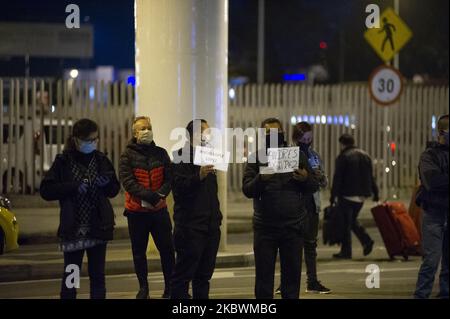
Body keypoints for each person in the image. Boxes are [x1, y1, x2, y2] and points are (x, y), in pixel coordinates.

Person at [40, 118, 120, 299]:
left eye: (95, 139)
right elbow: (46, 190)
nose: (92, 143)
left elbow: (114, 189)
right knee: (72, 276)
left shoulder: (101, 159)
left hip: (98, 228)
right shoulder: (63, 161)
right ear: (76, 139)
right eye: (88, 140)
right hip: (73, 230)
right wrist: (73, 187)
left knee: (97, 276)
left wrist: (106, 184)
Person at [242, 118, 319, 299]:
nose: (274, 137)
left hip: (293, 227)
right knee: (263, 279)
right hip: (265, 229)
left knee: (291, 279)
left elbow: (314, 185)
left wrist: (305, 178)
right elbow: (247, 189)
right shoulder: (256, 158)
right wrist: (261, 179)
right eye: (269, 134)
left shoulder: (296, 155)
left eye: (277, 133)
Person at [119, 116, 175, 299]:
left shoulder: (161, 153)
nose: (146, 131)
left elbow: (169, 178)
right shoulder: (127, 155)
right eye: (142, 128)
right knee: (139, 252)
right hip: (137, 213)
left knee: (167, 250)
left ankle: (170, 288)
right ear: (135, 133)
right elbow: (128, 181)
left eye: (149, 127)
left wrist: (160, 195)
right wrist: (150, 196)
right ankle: (143, 288)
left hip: (159, 211)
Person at [276, 121, 331, 295]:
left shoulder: (314, 155)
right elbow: (282, 181)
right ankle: (284, 283)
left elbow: (324, 182)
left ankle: (312, 281)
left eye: (309, 138)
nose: (307, 142)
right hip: (294, 205)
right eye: (303, 139)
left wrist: (318, 176)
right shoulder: (289, 154)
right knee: (290, 247)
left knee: (310, 245)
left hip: (311, 205)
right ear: (295, 138)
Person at [170, 119, 222, 299]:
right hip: (190, 227)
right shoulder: (179, 156)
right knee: (183, 275)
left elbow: (211, 193)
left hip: (211, 226)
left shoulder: (209, 155)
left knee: (204, 276)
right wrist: (198, 176)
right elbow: (178, 189)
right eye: (205, 132)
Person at [414, 114, 449, 299]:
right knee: (431, 261)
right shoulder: (429, 155)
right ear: (442, 133)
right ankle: (421, 295)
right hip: (434, 214)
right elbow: (433, 182)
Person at [330, 133, 379, 259]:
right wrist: (376, 193)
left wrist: (333, 195)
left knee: (346, 223)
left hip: (347, 195)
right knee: (350, 221)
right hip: (362, 196)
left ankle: (347, 251)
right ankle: (366, 241)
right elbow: (371, 177)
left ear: (342, 144)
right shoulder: (365, 155)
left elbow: (338, 178)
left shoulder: (343, 156)